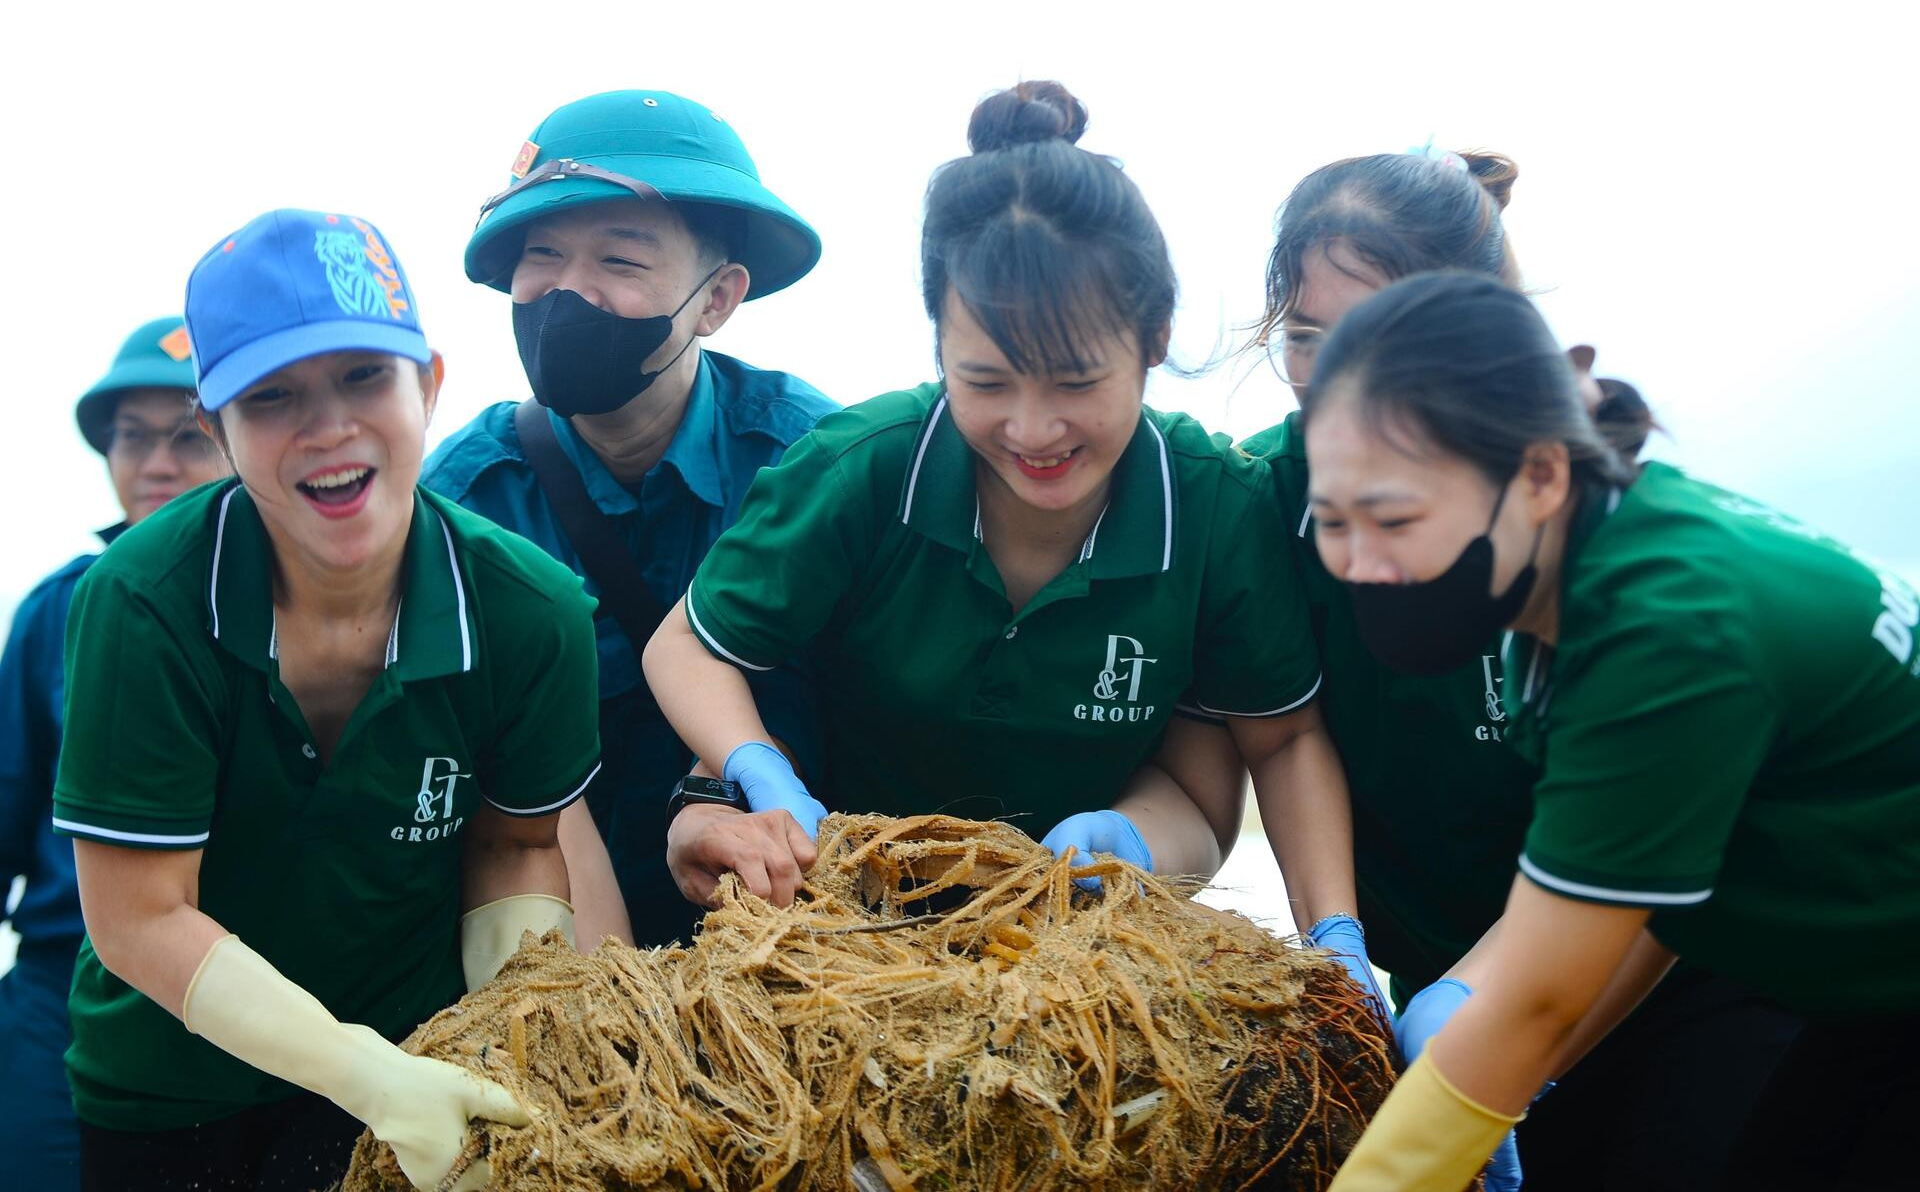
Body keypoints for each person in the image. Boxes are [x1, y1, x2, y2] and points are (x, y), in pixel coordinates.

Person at [643, 82, 1375, 1004]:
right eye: (985, 380)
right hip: (835, 928)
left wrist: (1330, 934)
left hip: (1082, 951)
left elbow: (1278, 744)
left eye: (1075, 381)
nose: (1033, 431)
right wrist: (760, 770)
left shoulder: (1214, 505)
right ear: (939, 346)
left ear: (1153, 340)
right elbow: (688, 646)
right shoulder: (865, 469)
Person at [1235, 146, 1802, 1191]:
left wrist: (1500, 1047)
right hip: (1454, 981)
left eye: (1380, 333)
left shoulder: (1605, 541)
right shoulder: (1267, 501)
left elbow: (1661, 879)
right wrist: (1338, 940)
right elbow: (1286, 726)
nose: (1338, 379)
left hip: (1691, 970)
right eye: (1310, 338)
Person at [1306, 272, 1920, 1192]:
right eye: (1331, 522)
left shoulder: (1663, 634)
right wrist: (1513, 1080)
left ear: (1542, 473)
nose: (1361, 564)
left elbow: (1542, 1000)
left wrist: (1477, 1090)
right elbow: (1648, 903)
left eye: (1395, 519)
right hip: (1854, 980)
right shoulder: (1574, 586)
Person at [53, 209, 602, 1192]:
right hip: (170, 1094)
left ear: (429, 384)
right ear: (218, 429)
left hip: (419, 1055)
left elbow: (512, 842)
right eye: (271, 397)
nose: (328, 427)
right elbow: (137, 916)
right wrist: (363, 1075)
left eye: (363, 376)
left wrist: (516, 1052)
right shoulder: (141, 603)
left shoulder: (531, 613)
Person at [424, 89, 837, 948]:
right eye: (543, 255)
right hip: (551, 947)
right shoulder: (465, 502)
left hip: (785, 941)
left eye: (620, 260)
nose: (570, 294)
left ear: (717, 300)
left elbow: (844, 691)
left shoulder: (810, 463)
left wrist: (717, 792)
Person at [0, 317, 231, 1190]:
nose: (155, 464)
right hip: (64, 990)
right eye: (131, 439)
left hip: (249, 998)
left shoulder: (300, 611)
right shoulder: (55, 613)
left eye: (185, 437)